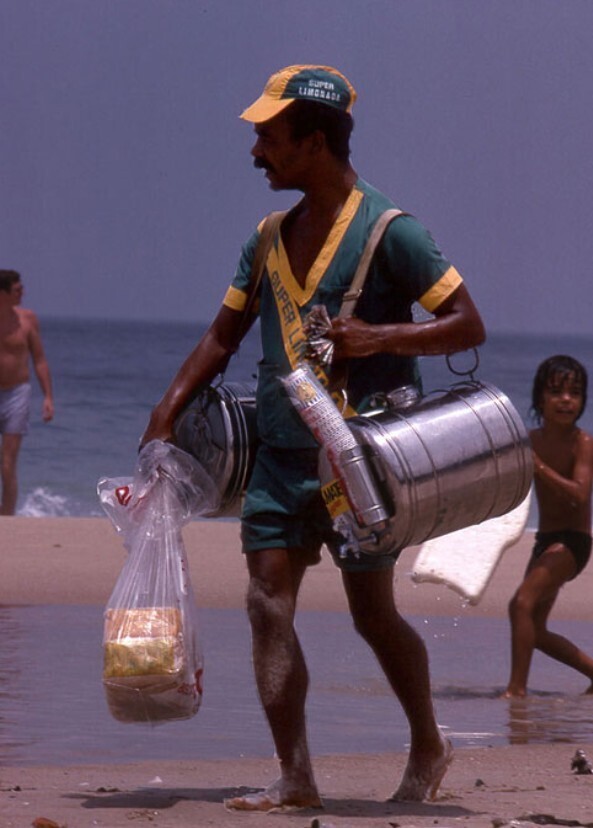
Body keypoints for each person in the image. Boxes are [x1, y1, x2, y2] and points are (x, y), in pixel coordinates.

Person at [141, 65, 485, 808]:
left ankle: (428, 742)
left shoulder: (393, 232)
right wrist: (166, 412)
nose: (257, 151)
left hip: (361, 466)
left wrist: (375, 336)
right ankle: (295, 776)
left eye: (270, 136)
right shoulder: (266, 239)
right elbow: (223, 334)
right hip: (278, 455)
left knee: (371, 614)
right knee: (266, 604)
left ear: (315, 142)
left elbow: (466, 323)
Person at [503, 355, 593, 698]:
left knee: (520, 605)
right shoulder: (529, 441)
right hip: (545, 541)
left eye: (575, 393)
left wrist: (537, 466)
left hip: (573, 543)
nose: (566, 400)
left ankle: (516, 690)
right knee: (534, 629)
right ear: (540, 397)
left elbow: (579, 494)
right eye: (556, 392)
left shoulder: (582, 443)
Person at [0, 269, 54, 515]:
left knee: (8, 461)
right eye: (17, 290)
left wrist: (48, 397)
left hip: (17, 394)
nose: (23, 293)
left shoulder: (28, 319)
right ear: (3, 293)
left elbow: (39, 360)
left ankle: (7, 516)